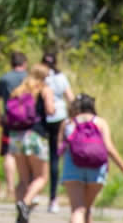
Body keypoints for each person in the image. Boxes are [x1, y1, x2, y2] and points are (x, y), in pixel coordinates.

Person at [61, 93, 123, 223]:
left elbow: (61, 147)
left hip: (73, 166)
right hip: (96, 168)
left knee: (78, 210)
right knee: (87, 208)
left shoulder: (68, 123)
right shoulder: (100, 122)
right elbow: (109, 148)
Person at [8, 63, 55, 223]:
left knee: (23, 179)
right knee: (41, 177)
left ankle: (21, 215)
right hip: (35, 136)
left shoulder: (19, 90)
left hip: (17, 137)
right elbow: (50, 110)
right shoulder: (44, 89)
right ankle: (25, 204)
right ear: (44, 76)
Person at [42, 52, 75, 213]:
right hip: (59, 118)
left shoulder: (40, 77)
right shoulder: (61, 77)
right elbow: (70, 98)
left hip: (42, 119)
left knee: (41, 159)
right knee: (55, 158)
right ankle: (53, 199)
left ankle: (31, 194)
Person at [0, 52, 28, 201]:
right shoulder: (30, 77)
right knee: (25, 154)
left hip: (10, 120)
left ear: (12, 63)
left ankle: (10, 188)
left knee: (9, 154)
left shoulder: (5, 78)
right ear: (25, 63)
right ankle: (25, 186)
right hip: (29, 122)